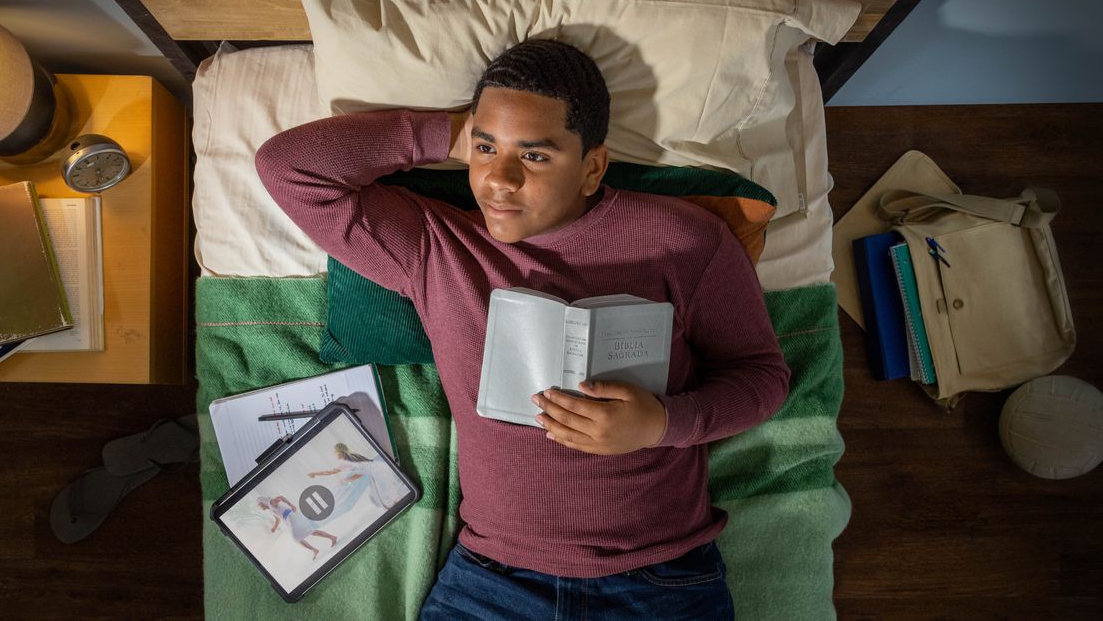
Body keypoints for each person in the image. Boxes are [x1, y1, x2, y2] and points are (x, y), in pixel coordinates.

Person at [256, 39, 790, 619]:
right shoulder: (439, 246)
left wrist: (661, 423)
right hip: (494, 582)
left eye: (534, 156)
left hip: (658, 579)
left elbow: (762, 378)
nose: (499, 180)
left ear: (592, 167)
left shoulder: (685, 241)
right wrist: (454, 134)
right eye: (487, 150)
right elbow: (289, 167)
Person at [308, 443, 409, 509]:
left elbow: (330, 472)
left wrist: (315, 474)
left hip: (378, 472)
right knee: (390, 493)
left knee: (387, 496)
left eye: (335, 452)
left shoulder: (345, 462)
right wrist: (346, 480)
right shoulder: (354, 456)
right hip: (381, 467)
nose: (334, 455)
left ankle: (400, 506)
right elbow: (362, 472)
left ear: (339, 452)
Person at [257, 495, 338, 561]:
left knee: (297, 538)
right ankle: (331, 538)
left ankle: (315, 549)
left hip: (291, 517)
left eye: (260, 505)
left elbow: (280, 498)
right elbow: (278, 519)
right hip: (292, 518)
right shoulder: (270, 510)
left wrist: (290, 504)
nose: (260, 507)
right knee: (311, 532)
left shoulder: (270, 503)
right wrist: (274, 528)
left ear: (263, 502)